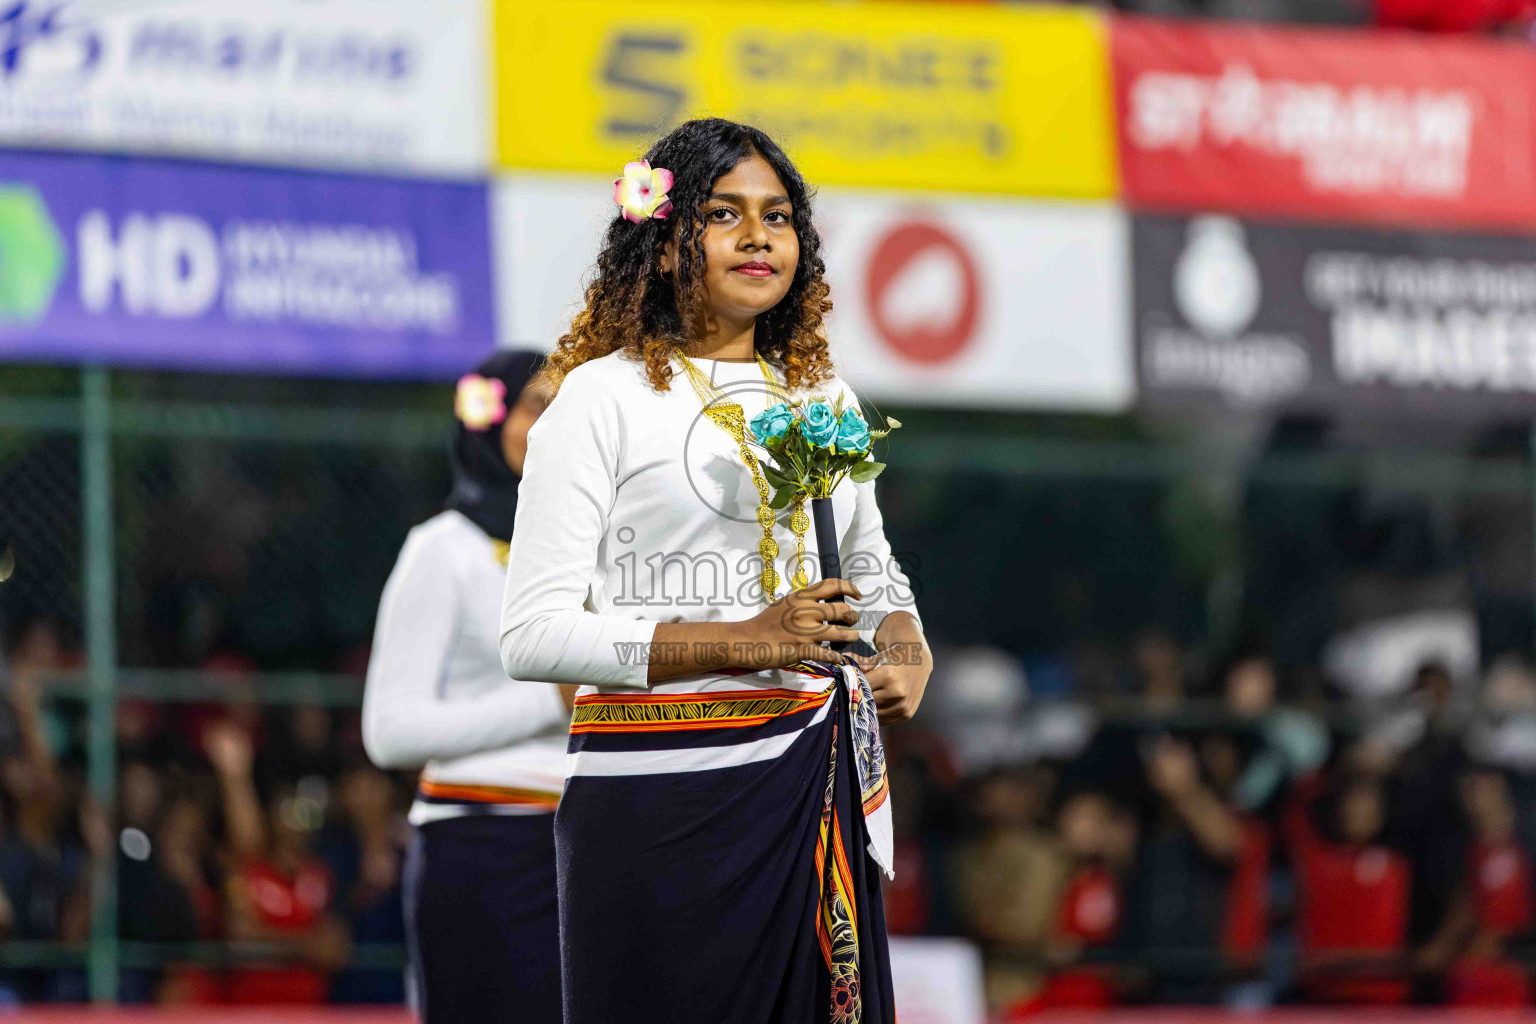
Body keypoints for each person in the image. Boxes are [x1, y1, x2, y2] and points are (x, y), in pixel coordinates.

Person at [499, 118, 931, 1024]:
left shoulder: (820, 395)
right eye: (723, 213)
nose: (757, 235)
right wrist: (742, 639)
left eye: (777, 217)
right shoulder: (598, 398)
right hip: (652, 800)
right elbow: (533, 635)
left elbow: (871, 560)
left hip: (807, 786)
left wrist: (904, 641)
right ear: (661, 245)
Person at [362, 350, 571, 1023]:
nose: (557, 426)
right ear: (492, 419)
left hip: (590, 846)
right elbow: (389, 732)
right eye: (538, 406)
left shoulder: (590, 549)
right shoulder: (442, 549)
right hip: (483, 848)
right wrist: (550, 696)